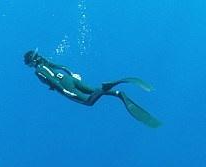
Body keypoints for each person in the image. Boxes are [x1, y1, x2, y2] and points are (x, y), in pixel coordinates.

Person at [23, 49, 162, 128]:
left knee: (88, 101)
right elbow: (62, 67)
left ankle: (108, 88)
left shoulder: (39, 70)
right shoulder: (46, 62)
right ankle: (116, 92)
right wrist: (73, 74)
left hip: (65, 85)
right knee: (93, 90)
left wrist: (65, 91)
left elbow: (52, 81)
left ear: (32, 62)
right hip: (70, 79)